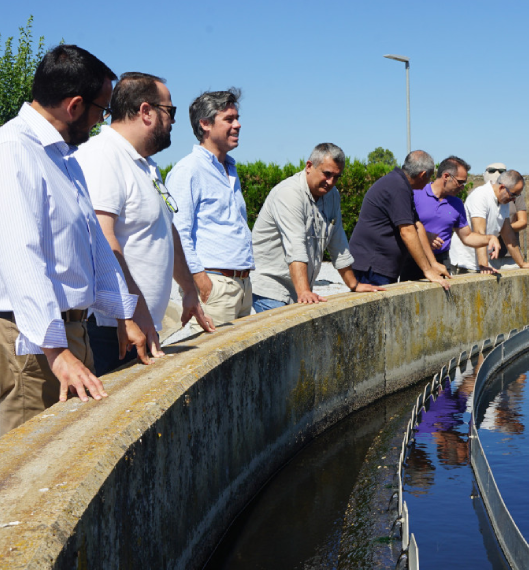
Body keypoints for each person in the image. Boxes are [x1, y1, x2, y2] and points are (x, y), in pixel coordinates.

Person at [0, 45, 143, 435]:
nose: (102, 121)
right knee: (34, 465)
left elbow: (92, 241)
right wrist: (56, 349)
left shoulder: (62, 157)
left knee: (68, 447)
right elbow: (19, 256)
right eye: (103, 109)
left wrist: (122, 314)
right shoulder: (10, 152)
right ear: (75, 105)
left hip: (60, 330)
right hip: (28, 336)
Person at [75, 72, 215, 376]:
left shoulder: (145, 165)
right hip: (112, 330)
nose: (174, 122)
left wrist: (188, 288)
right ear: (146, 111)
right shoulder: (103, 155)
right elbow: (101, 237)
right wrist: (132, 310)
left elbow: (167, 231)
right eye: (171, 111)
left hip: (138, 326)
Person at [249, 143, 386, 311]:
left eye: (336, 177)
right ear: (309, 166)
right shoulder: (288, 193)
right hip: (271, 288)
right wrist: (304, 292)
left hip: (298, 289)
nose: (331, 182)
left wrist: (354, 284)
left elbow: (338, 241)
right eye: (327, 174)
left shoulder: (332, 195)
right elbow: (295, 245)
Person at [166, 88, 254, 333]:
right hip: (215, 288)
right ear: (205, 124)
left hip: (241, 286)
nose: (237, 125)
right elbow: (177, 232)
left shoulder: (230, 169)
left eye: (237, 118)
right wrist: (202, 283)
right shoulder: (189, 170)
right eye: (229, 119)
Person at [347, 150, 452, 290]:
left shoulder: (401, 184)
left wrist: (433, 263)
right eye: (430, 176)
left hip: (379, 266)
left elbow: (417, 226)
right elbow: (407, 232)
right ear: (422, 175)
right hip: (372, 266)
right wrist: (427, 271)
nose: (430, 181)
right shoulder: (398, 187)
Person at [402, 156, 497, 280]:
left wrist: (489, 238)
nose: (462, 187)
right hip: (413, 260)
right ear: (446, 176)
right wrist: (425, 236)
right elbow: (403, 228)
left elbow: (467, 236)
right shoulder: (416, 193)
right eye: (460, 182)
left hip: (442, 261)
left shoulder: (457, 204)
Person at [448, 169, 529, 273]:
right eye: (513, 195)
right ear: (502, 187)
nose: (514, 200)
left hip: (481, 263)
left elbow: (508, 235)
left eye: (517, 196)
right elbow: (479, 232)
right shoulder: (481, 196)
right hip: (465, 262)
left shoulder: (504, 202)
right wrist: (483, 266)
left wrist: (522, 264)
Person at [484, 162, 529, 258]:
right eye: (492, 170)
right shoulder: (481, 195)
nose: (496, 173)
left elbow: (523, 221)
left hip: (509, 253)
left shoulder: (514, 195)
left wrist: (501, 230)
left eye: (501, 171)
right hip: (487, 252)